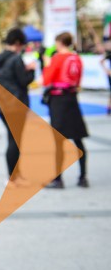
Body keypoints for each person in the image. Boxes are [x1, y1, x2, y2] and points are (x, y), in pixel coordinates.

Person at [43, 32, 89, 189]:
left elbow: (47, 79)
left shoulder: (57, 58)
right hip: (72, 98)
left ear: (60, 42)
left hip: (59, 100)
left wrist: (47, 63)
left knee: (58, 141)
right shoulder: (76, 58)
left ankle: (58, 179)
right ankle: (83, 177)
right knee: (78, 139)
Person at [0, 27, 37, 182]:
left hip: (1, 104)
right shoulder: (16, 59)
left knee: (12, 139)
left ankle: (14, 175)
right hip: (15, 105)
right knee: (15, 140)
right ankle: (13, 177)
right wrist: (31, 70)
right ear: (18, 43)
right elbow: (23, 81)